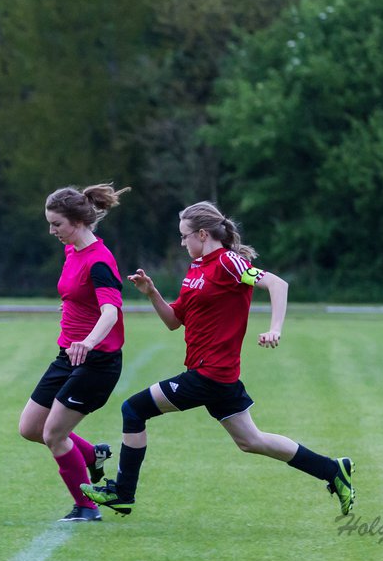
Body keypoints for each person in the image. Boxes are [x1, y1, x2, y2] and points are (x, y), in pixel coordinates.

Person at [82, 201, 354, 517]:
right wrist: (152, 293)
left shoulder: (229, 263)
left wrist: (274, 328)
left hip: (210, 374)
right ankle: (333, 470)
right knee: (251, 441)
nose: (182, 242)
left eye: (184, 236)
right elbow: (174, 321)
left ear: (201, 233)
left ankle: (122, 493)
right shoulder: (196, 268)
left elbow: (277, 284)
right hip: (215, 376)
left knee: (133, 409)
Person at [19, 183, 131, 522]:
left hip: (97, 362)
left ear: (78, 222)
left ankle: (86, 506)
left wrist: (88, 341)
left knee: (54, 434)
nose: (52, 231)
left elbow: (110, 313)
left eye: (57, 224)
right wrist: (70, 310)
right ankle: (93, 455)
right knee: (30, 428)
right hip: (68, 356)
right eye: (50, 223)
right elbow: (77, 293)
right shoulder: (72, 250)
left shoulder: (100, 260)